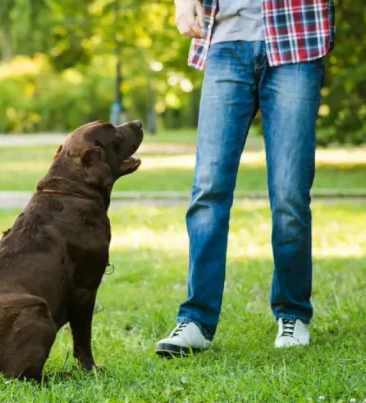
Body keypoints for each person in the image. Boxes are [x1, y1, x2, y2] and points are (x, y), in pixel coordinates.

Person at [155, 0, 336, 356]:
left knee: (289, 193)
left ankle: (292, 312)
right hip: (225, 38)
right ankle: (196, 320)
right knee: (208, 190)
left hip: (297, 36)